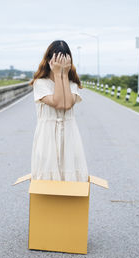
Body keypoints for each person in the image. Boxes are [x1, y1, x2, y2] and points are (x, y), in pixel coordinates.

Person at [29, 40, 88, 182]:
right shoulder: (40, 83)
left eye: (64, 61)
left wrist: (63, 76)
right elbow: (57, 103)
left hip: (69, 134)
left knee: (70, 175)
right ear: (49, 60)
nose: (61, 65)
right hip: (47, 136)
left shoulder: (72, 83)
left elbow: (67, 104)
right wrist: (57, 74)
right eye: (57, 61)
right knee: (47, 177)